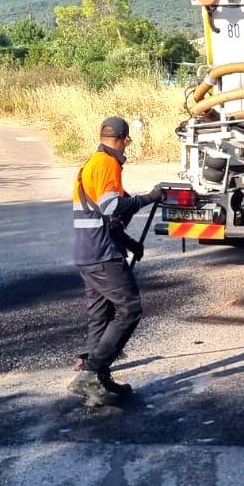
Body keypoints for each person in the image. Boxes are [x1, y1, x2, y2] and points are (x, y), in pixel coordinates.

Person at [70, 116, 162, 406]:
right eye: (126, 143)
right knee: (130, 309)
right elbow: (113, 206)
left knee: (101, 316)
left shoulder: (90, 164)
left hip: (89, 253)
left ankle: (98, 378)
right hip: (102, 255)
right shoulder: (107, 164)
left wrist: (129, 243)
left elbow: (104, 217)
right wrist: (149, 198)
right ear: (123, 139)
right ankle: (91, 371)